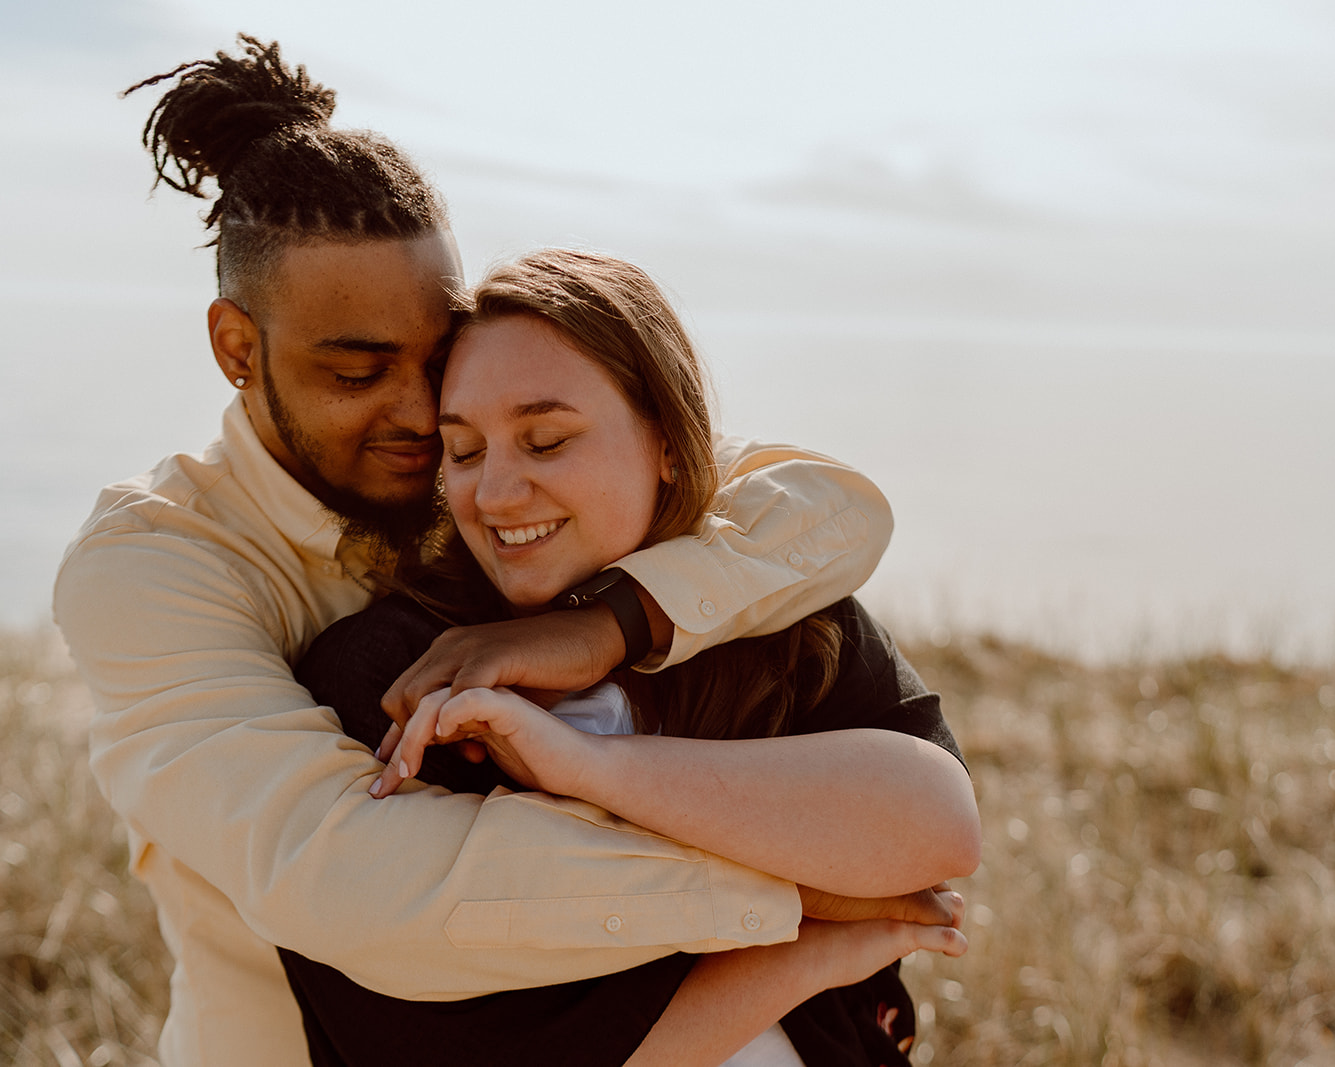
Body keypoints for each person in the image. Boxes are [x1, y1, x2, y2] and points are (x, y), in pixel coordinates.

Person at [52, 36, 956, 1067]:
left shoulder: (480, 478)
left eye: (436, 365)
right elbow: (359, 880)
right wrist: (810, 885)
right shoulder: (153, 563)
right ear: (237, 348)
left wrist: (612, 620)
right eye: (357, 372)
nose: (417, 416)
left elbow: (817, 501)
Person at [276, 249, 981, 1067]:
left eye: (545, 441)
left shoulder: (775, 622)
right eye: (464, 451)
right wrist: (817, 937)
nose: (495, 494)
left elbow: (940, 826)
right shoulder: (395, 678)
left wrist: (584, 766)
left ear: (667, 445)